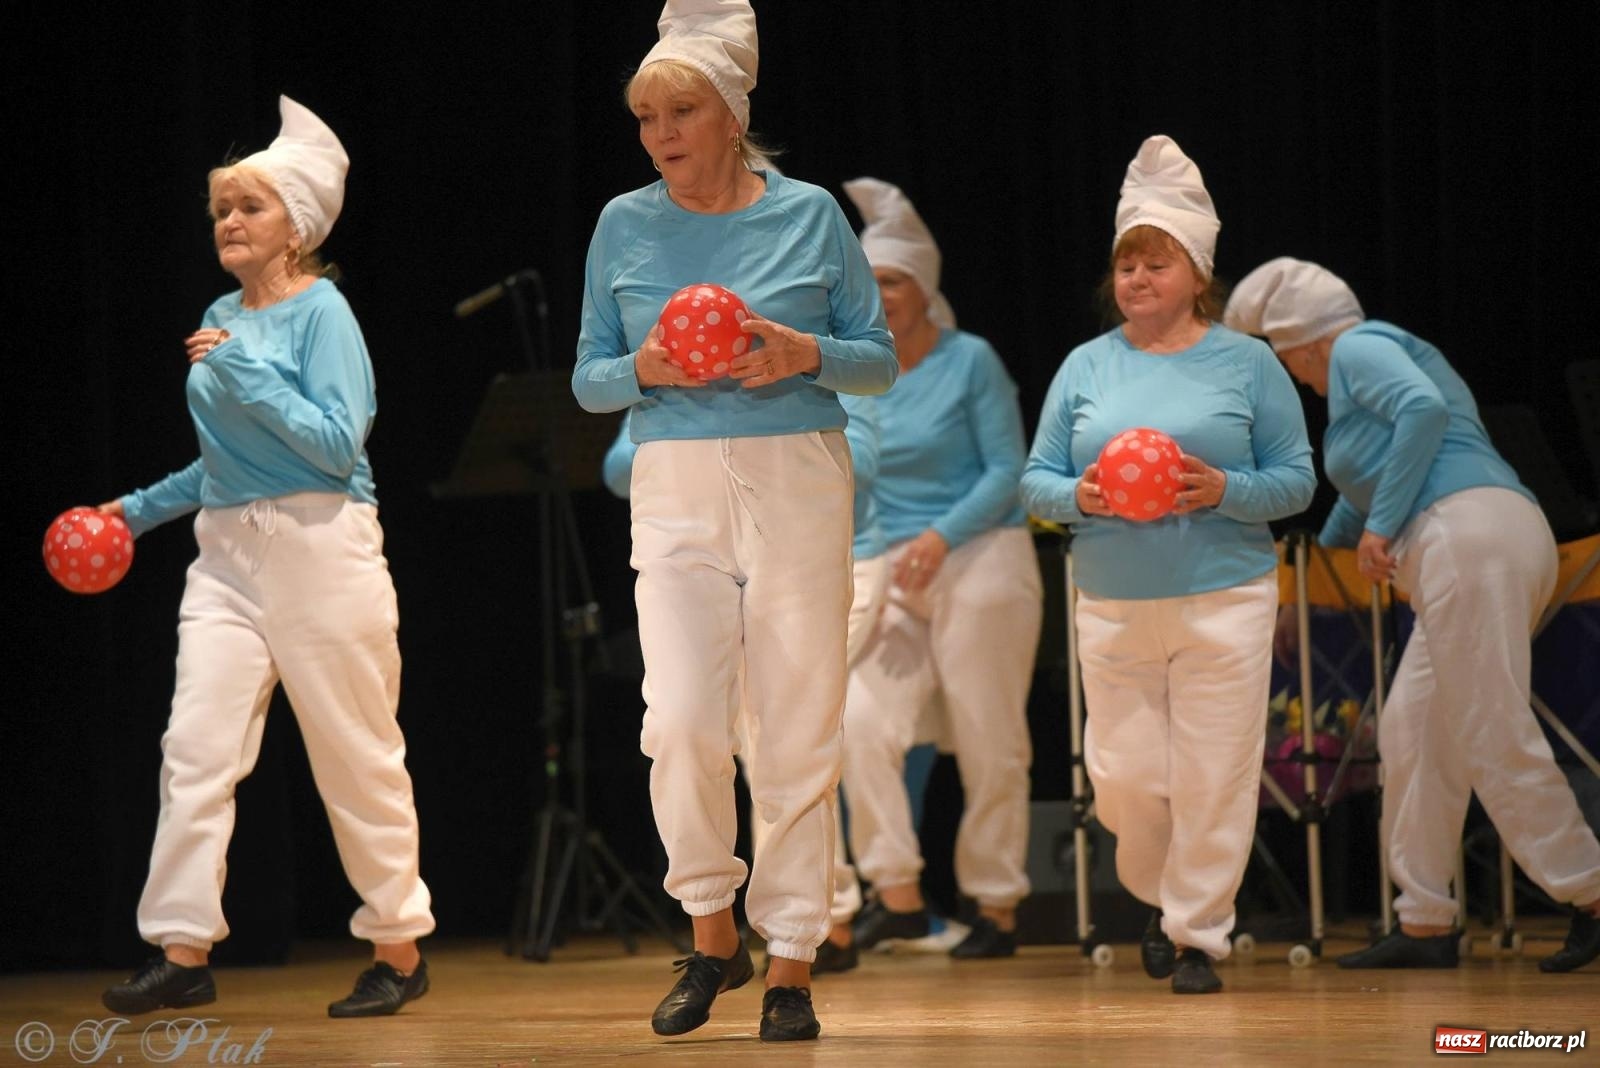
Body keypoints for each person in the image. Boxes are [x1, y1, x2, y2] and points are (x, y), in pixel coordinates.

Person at [572, 0, 897, 1042]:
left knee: (796, 724)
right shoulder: (622, 223)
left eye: (680, 109)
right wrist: (643, 370)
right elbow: (586, 380)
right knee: (677, 723)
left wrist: (805, 353)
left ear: (729, 116)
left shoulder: (806, 215)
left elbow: (878, 359)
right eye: (644, 115)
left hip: (797, 469)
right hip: (673, 475)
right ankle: (713, 932)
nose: (660, 132)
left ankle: (793, 958)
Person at [97, 96, 434, 1019]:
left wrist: (240, 367)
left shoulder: (326, 314)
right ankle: (182, 947)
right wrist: (128, 514)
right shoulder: (218, 311)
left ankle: (399, 949)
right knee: (194, 749)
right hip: (226, 556)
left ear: (298, 226)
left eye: (249, 208)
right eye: (220, 211)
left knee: (355, 755)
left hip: (323, 547)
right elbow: (222, 464)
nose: (229, 223)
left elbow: (337, 443)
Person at [1225, 256, 1600, 973]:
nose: (1293, 379)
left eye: (1286, 362)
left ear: (1304, 343)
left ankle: (1590, 891)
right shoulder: (1358, 390)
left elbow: (1422, 414)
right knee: (1414, 730)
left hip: (1467, 534)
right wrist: (1306, 579)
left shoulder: (1361, 346)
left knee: (1491, 727)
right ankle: (1425, 921)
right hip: (1476, 537)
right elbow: (1359, 502)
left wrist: (1380, 525)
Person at [1020, 136, 1315, 994]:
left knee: (1214, 773)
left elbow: (1296, 480)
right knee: (1124, 781)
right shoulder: (1085, 366)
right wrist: (1084, 496)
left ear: (1197, 273)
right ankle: (1160, 896)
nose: (1138, 280)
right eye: (1127, 267)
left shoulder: (1248, 362)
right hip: (1113, 599)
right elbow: (1035, 480)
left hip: (1225, 595)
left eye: (1156, 264)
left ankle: (1197, 937)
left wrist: (1223, 487)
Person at [602, 392, 887, 976]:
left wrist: (765, 436)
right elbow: (612, 457)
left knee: (789, 741)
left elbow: (865, 443)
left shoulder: (794, 323)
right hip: (689, 527)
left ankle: (797, 945)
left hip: (801, 527)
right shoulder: (677, 332)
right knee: (679, 727)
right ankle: (718, 927)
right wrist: (688, 417)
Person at [837, 177, 1044, 961]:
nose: (881, 296)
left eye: (892, 281)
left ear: (924, 289)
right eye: (870, 282)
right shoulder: (859, 374)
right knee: (857, 721)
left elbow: (1007, 470)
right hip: (893, 568)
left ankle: (996, 905)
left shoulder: (971, 361)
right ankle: (895, 891)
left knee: (991, 735)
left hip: (981, 554)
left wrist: (941, 536)